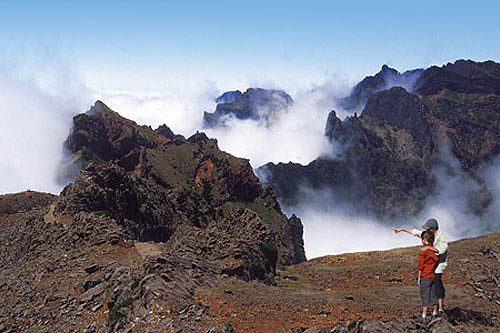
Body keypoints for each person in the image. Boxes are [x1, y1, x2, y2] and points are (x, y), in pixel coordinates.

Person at [393, 218, 448, 313]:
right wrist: (401, 229)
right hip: (430, 267)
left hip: (438, 266)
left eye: (427, 229)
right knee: (432, 288)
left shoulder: (440, 237)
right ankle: (435, 309)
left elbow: (442, 249)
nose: (425, 230)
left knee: (437, 287)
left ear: (433, 228)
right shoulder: (428, 235)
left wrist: (428, 248)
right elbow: (415, 232)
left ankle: (440, 309)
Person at [417, 230, 439, 320]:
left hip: (425, 276)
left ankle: (424, 315)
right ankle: (434, 312)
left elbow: (420, 267)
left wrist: (419, 278)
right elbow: (438, 252)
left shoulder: (423, 252)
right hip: (433, 275)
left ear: (424, 240)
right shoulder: (434, 251)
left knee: (425, 295)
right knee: (433, 294)